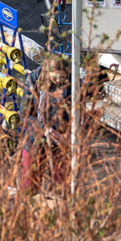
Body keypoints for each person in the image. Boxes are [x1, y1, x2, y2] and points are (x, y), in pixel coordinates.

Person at [20, 56, 72, 192]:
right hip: (34, 140)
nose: (59, 81)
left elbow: (79, 112)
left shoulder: (72, 83)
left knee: (60, 187)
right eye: (55, 77)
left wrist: (68, 133)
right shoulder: (33, 81)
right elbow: (24, 115)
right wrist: (44, 129)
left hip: (59, 141)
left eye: (62, 77)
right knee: (29, 184)